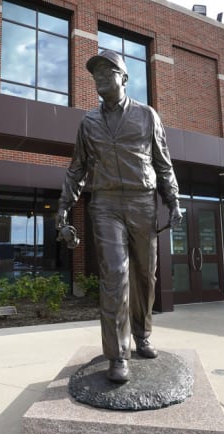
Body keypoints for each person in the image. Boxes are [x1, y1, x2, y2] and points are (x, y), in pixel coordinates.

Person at [57, 50, 182, 383]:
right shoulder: (89, 122)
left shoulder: (147, 115)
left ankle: (142, 335)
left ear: (124, 78)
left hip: (143, 202)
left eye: (107, 72)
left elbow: (163, 162)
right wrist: (63, 208)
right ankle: (118, 354)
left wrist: (173, 200)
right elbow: (77, 169)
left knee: (145, 275)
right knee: (114, 274)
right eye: (95, 73)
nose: (99, 77)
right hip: (106, 204)